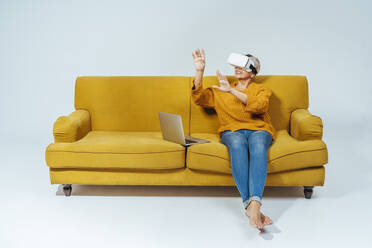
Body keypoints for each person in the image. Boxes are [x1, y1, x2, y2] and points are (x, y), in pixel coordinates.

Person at [191, 48, 276, 230]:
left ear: (252, 73)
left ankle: (251, 206)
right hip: (232, 131)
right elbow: (198, 98)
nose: (237, 69)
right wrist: (199, 71)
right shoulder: (221, 89)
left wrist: (231, 91)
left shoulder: (262, 89)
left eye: (243, 66)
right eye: (236, 66)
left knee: (258, 145)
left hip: (259, 130)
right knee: (237, 144)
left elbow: (260, 106)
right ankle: (253, 206)